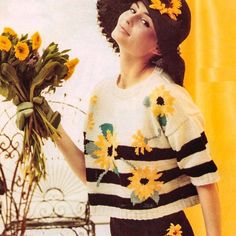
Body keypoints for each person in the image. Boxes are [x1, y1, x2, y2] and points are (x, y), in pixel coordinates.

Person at [17, 0, 221, 235]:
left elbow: (205, 180)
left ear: (158, 47)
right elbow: (94, 175)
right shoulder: (101, 94)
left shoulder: (168, 97)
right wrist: (49, 123)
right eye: (133, 9)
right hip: (119, 227)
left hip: (165, 229)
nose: (130, 19)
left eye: (145, 22)